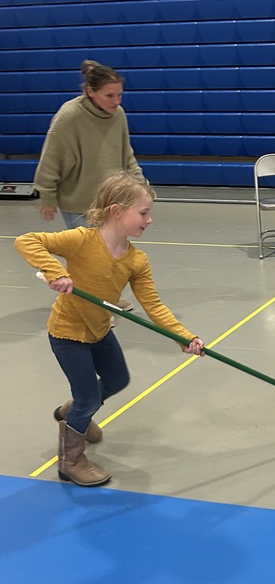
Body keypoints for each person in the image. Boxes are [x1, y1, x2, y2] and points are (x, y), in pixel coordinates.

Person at [15, 172, 205, 488]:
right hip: (67, 333)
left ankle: (72, 412)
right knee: (88, 396)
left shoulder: (137, 260)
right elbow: (27, 240)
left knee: (118, 379)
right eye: (143, 213)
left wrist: (183, 336)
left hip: (101, 331)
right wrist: (55, 272)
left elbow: (154, 306)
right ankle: (71, 459)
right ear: (117, 211)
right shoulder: (80, 240)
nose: (150, 219)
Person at [34, 59, 143, 311]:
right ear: (90, 92)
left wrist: (138, 183)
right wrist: (48, 195)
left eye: (119, 95)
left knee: (113, 257)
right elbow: (51, 158)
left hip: (113, 201)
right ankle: (94, 310)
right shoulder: (69, 116)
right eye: (109, 95)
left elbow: (126, 153)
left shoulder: (119, 115)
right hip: (79, 201)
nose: (116, 102)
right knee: (92, 259)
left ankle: (106, 301)